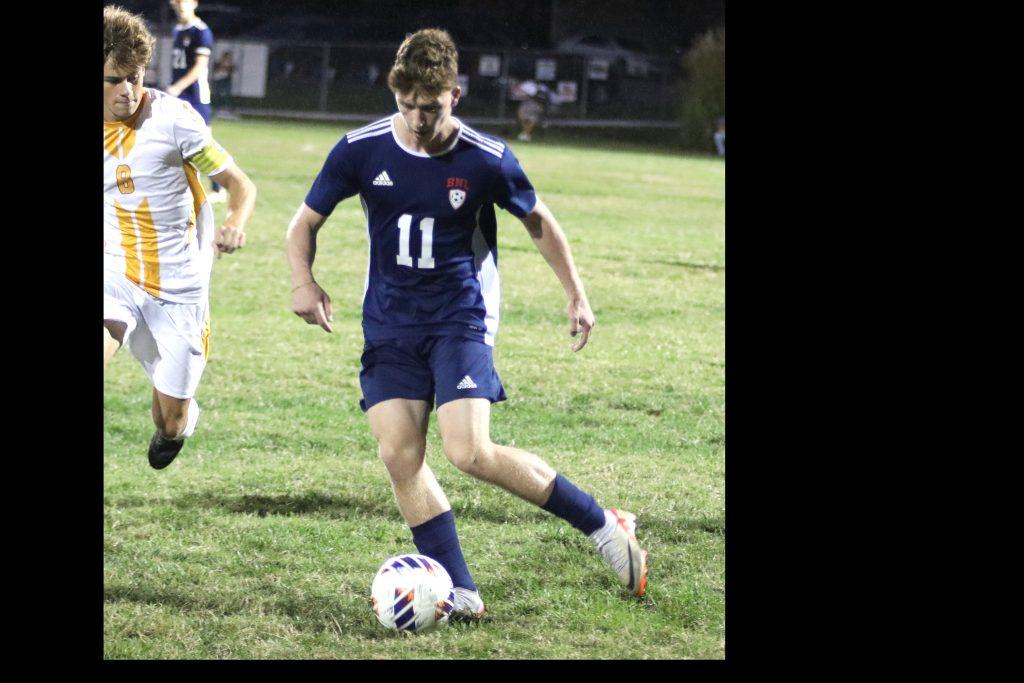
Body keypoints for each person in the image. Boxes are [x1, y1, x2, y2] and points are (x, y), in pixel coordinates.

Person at [286, 28, 648, 617]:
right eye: (407, 104)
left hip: (461, 318)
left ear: (455, 94)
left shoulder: (486, 157)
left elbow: (539, 221)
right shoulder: (360, 148)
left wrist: (576, 294)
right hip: (390, 324)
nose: (417, 119)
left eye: (430, 106)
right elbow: (303, 223)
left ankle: (603, 525)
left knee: (470, 451)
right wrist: (303, 281)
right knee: (399, 454)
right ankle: (462, 590)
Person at [103, 5, 257, 469]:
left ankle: (180, 426)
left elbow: (240, 185)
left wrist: (235, 223)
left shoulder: (174, 121)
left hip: (178, 284)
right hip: (114, 270)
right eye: (114, 80)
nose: (128, 90)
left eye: (134, 77)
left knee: (169, 421)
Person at [167, 0, 225, 202]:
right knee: (172, 140)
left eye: (184, 1)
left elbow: (200, 66)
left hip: (195, 95)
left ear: (194, 3)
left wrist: (178, 87)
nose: (180, 5)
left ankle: (218, 188)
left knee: (204, 141)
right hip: (178, 94)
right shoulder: (177, 30)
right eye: (177, 1)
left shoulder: (201, 31)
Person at [211, 50, 235, 118]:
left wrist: (228, 66)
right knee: (217, 94)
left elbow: (232, 71)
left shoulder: (230, 65)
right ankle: (217, 109)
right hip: (218, 80)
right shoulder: (218, 63)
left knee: (226, 95)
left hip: (226, 81)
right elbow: (215, 71)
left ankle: (227, 110)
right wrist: (222, 66)